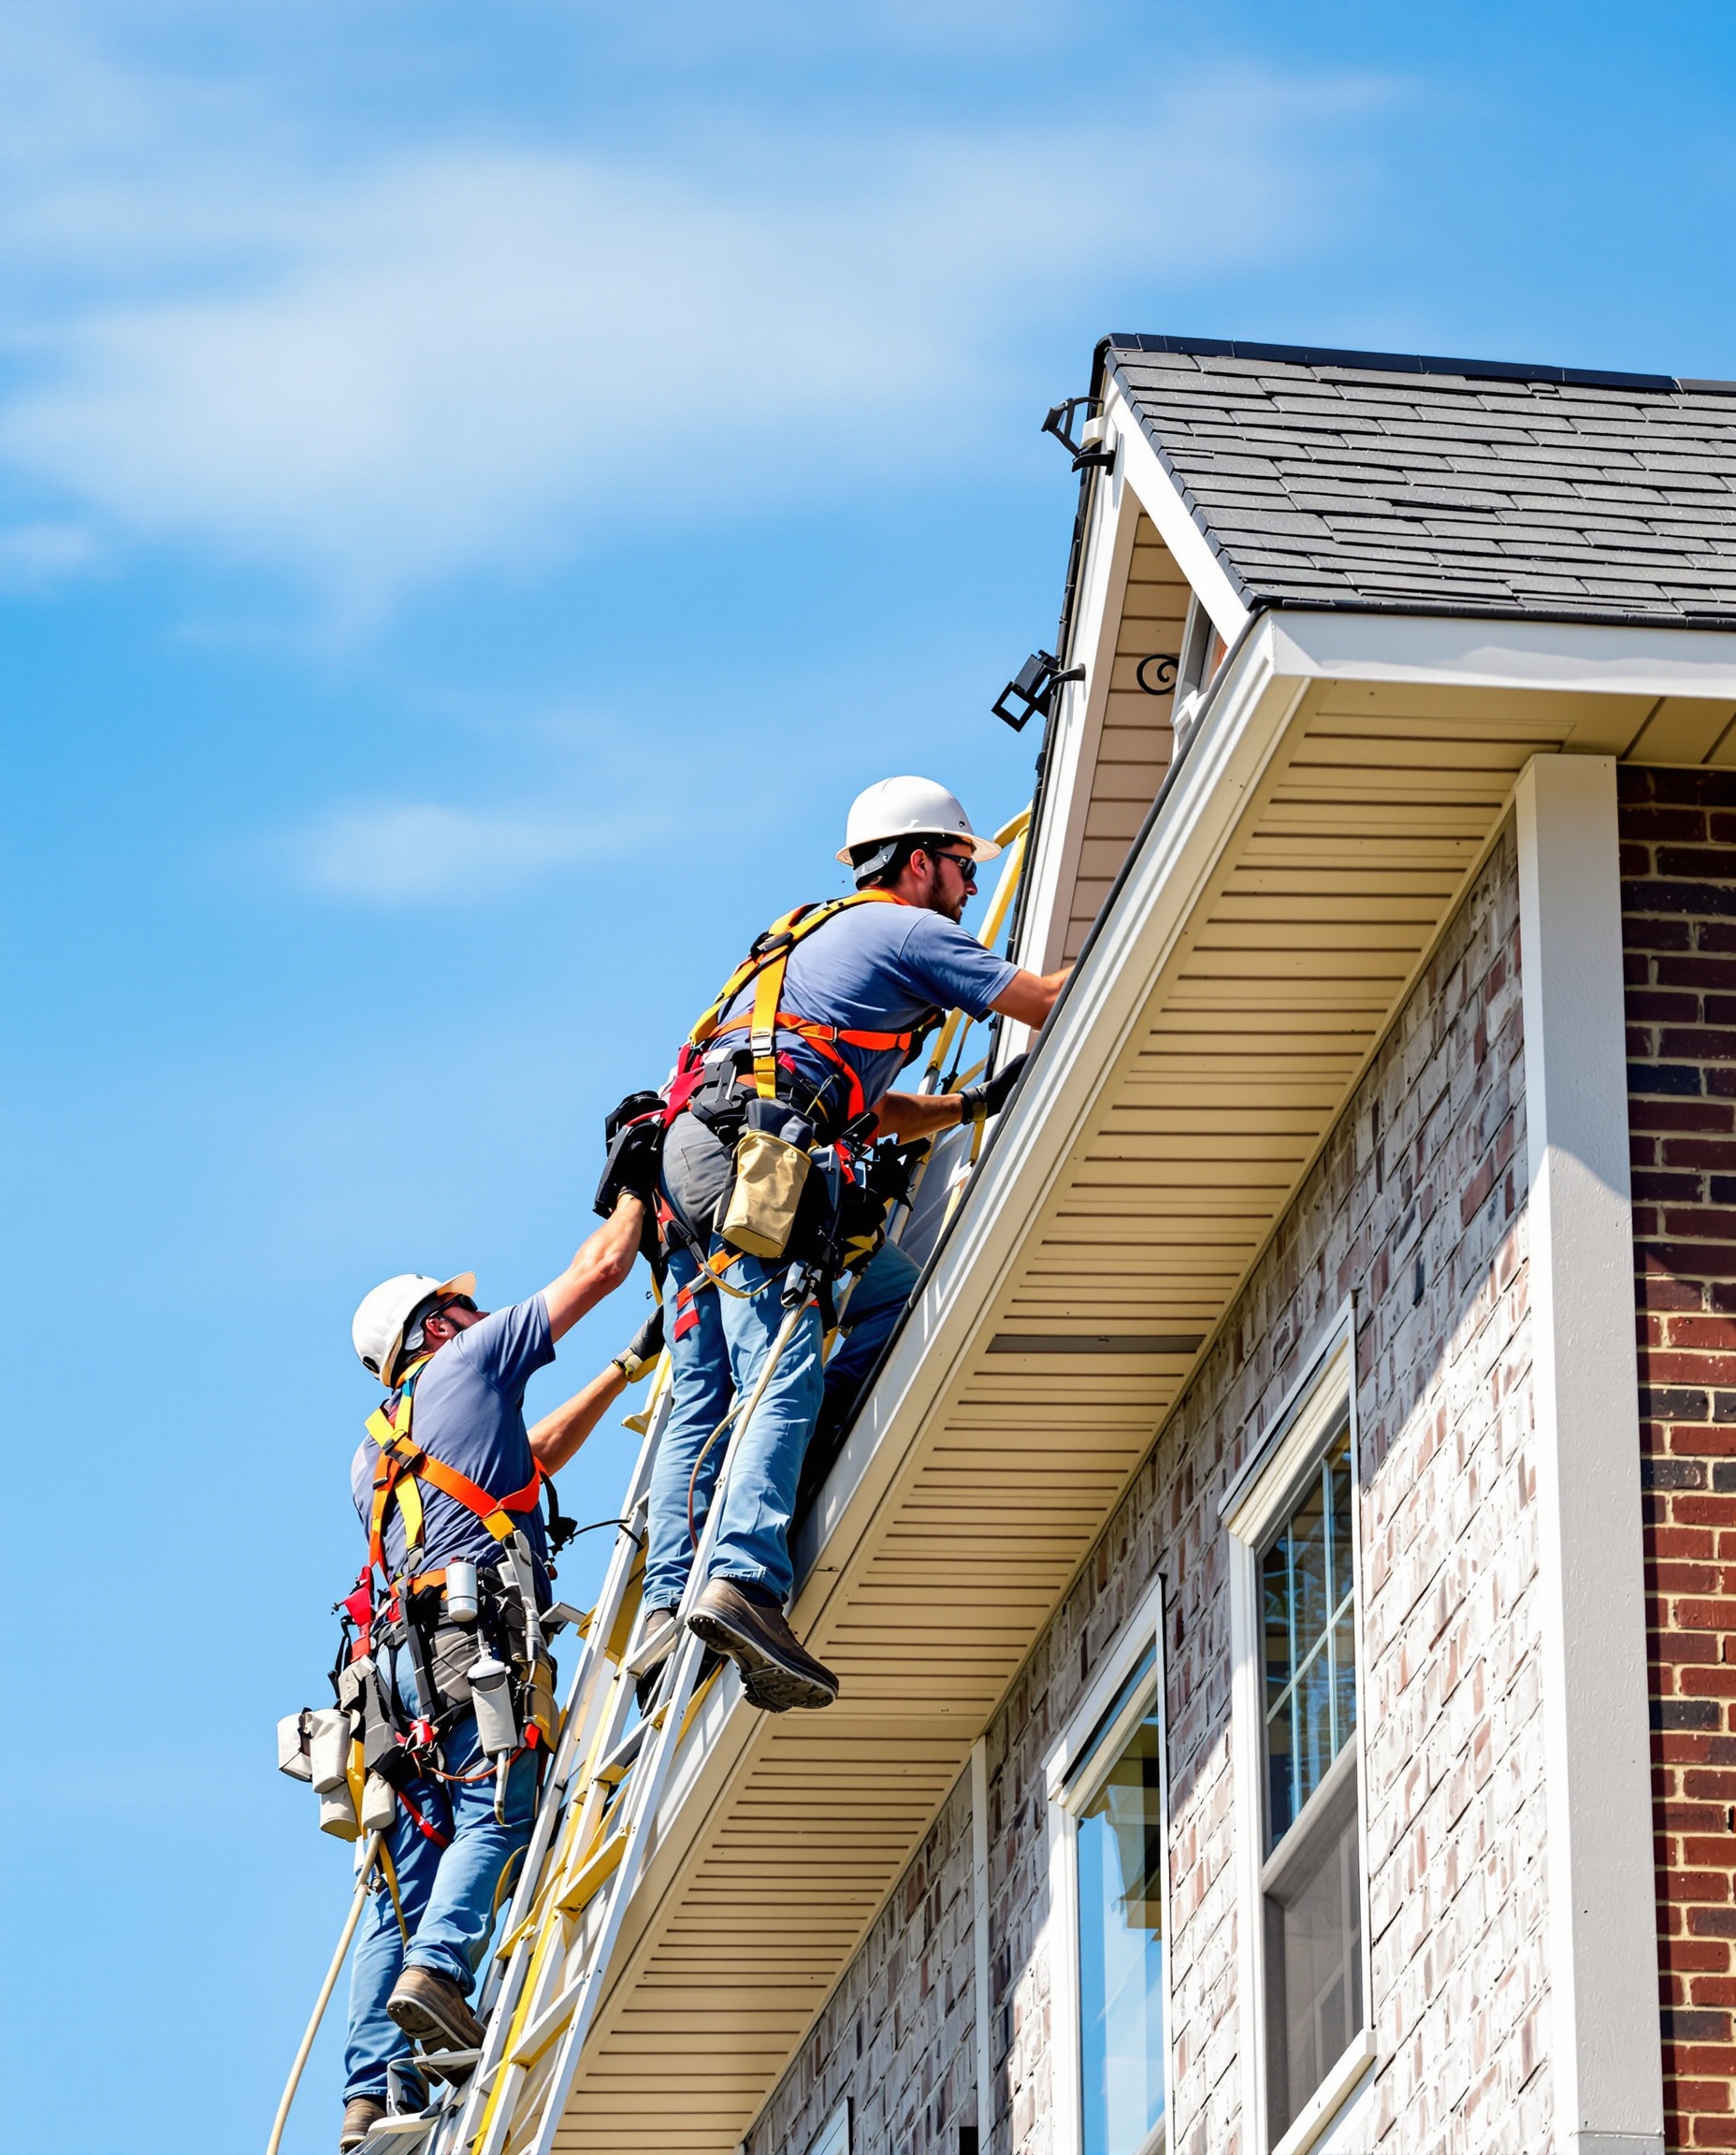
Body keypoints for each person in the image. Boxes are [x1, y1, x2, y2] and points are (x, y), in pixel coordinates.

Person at [631, 776, 1070, 1713]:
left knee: (857, 1313)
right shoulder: (907, 931)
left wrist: (966, 1105)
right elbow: (1044, 999)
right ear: (918, 861)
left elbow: (863, 1102)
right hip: (756, 1166)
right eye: (961, 865)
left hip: (702, 1161)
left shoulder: (820, 939)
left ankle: (674, 1598)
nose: (969, 885)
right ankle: (742, 1578)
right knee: (779, 1362)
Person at [338, 1192, 659, 2154]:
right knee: (497, 1812)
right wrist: (642, 1179)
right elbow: (600, 1267)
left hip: (397, 1675)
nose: (481, 1313)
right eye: (463, 1307)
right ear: (436, 1327)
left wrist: (622, 1369)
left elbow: (531, 1457)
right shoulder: (474, 1358)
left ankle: (371, 2095)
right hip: (470, 1641)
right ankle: (441, 1974)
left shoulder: (374, 1453)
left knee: (408, 1873)